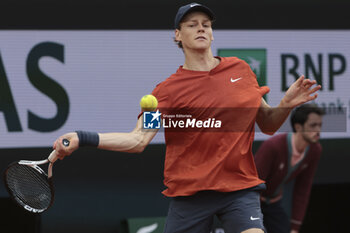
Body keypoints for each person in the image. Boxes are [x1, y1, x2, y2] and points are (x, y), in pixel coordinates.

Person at [53, 3, 321, 233]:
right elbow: (137, 140)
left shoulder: (241, 69)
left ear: (213, 34)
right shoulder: (166, 92)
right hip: (190, 196)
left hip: (239, 189)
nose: (201, 28)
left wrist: (286, 104)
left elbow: (268, 124)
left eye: (206, 24)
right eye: (192, 25)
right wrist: (82, 137)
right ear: (178, 35)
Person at [254, 103, 324, 233]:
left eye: (320, 125)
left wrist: (295, 227)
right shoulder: (273, 146)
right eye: (313, 126)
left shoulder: (315, 150)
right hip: (253, 203)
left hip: (274, 203)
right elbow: (253, 183)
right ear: (298, 127)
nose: (318, 130)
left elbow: (302, 189)